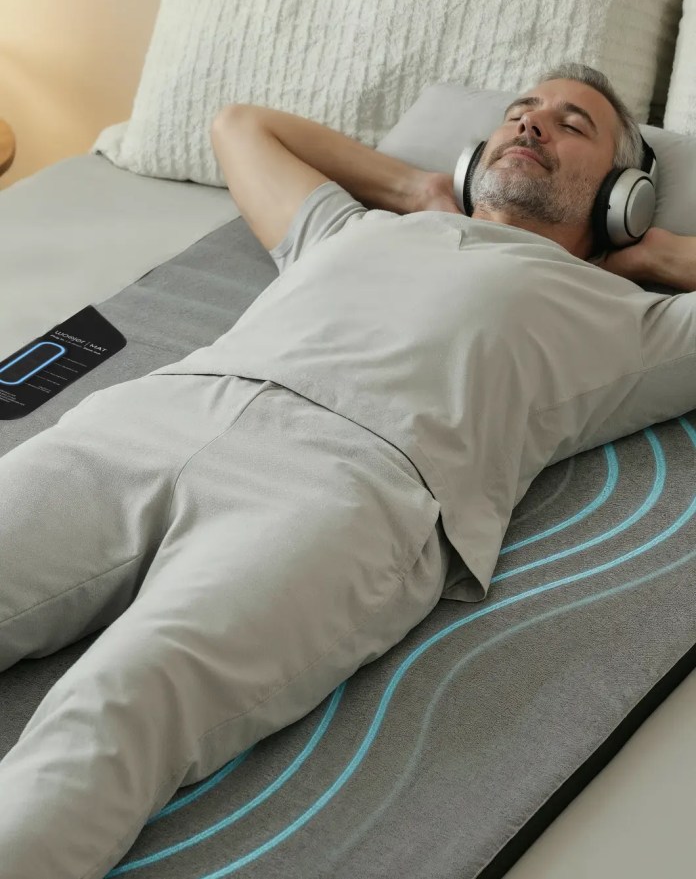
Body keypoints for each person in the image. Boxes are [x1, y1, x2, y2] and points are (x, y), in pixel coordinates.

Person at [1, 61, 695, 879]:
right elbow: (240, 124)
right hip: (154, 416)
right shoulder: (353, 228)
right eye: (518, 112)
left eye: (572, 124)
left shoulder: (629, 319)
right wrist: (414, 189)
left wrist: (662, 253)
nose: (530, 125)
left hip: (350, 487)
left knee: (123, 707)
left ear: (625, 194)